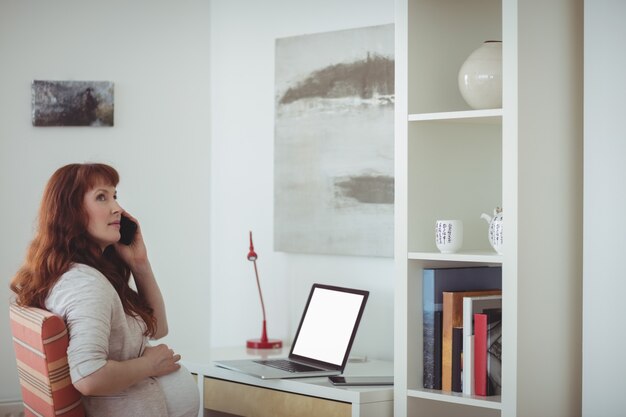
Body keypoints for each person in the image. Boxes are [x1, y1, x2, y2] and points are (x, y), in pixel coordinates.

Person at [10, 163, 199, 417]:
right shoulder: (87, 286)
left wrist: (140, 264)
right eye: (101, 197)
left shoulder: (78, 274)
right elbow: (89, 375)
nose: (117, 209)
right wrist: (149, 365)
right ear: (71, 212)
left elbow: (158, 328)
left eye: (115, 196)